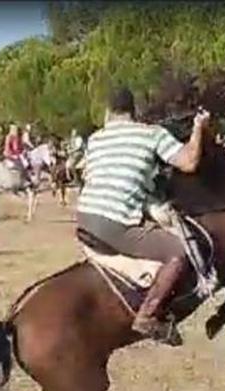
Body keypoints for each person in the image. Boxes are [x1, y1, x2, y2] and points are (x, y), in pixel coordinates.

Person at [75, 86, 210, 345]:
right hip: (113, 225)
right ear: (133, 110)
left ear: (108, 112)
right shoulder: (152, 135)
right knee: (178, 251)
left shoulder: (96, 139)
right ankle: (147, 316)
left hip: (84, 216)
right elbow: (189, 162)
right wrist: (198, 128)